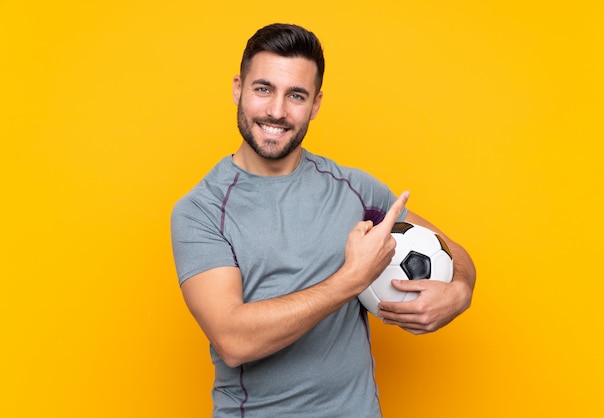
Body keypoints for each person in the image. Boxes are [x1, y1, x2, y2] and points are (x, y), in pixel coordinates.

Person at [171, 23, 476, 417]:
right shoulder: (202, 210)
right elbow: (233, 339)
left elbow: (453, 251)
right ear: (238, 89)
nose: (277, 111)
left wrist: (461, 291)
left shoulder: (355, 189)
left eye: (296, 95)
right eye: (263, 89)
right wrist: (351, 279)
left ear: (315, 104)